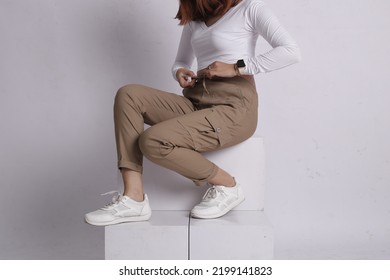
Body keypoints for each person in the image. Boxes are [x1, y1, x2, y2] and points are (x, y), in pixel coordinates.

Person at [85, 0, 301, 226]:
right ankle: (133, 199)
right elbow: (181, 60)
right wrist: (179, 71)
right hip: (197, 99)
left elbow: (291, 51)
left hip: (234, 106)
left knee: (154, 140)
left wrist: (236, 67)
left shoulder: (250, 9)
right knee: (129, 95)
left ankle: (227, 186)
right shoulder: (195, 22)